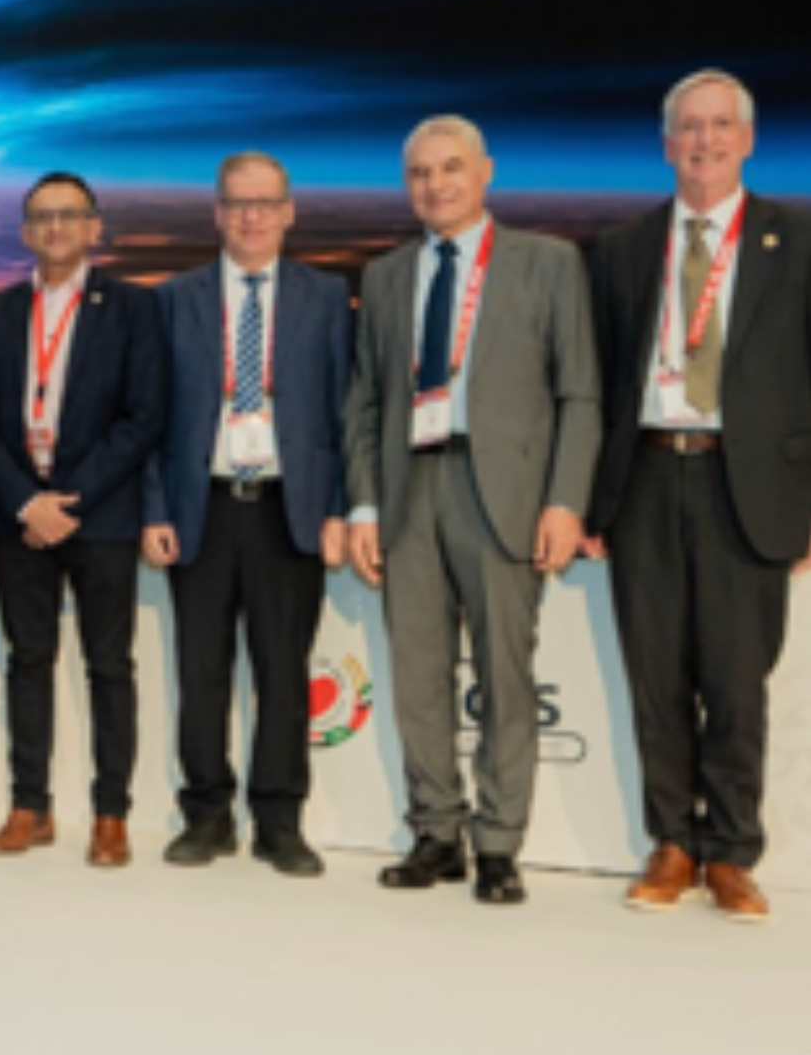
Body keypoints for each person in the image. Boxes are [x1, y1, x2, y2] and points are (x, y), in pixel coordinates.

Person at [343, 115, 599, 905]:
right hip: (407, 491)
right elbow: (364, 402)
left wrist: (563, 500)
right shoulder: (385, 275)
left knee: (503, 675)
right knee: (417, 674)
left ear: (484, 172)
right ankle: (434, 833)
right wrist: (361, 506)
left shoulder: (548, 262)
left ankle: (497, 844)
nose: (435, 184)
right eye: (419, 172)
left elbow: (578, 393)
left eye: (450, 168)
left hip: (506, 497)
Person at [584, 70, 811, 923]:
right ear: (666, 141)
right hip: (642, 476)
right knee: (655, 674)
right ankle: (671, 842)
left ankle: (731, 852)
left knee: (735, 678)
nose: (704, 140)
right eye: (688, 126)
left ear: (747, 139)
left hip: (746, 484)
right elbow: (598, 384)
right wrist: (590, 499)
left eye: (720, 125)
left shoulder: (798, 239)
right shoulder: (622, 249)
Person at [142, 153, 350, 877]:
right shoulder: (174, 298)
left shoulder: (326, 297)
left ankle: (278, 820)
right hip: (201, 508)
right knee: (201, 672)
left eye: (264, 203)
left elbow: (345, 413)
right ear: (216, 213)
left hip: (288, 511)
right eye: (236, 203)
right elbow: (150, 417)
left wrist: (339, 510)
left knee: (283, 673)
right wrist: (154, 508)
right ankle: (205, 814)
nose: (250, 216)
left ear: (289, 210)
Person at [0, 173, 165, 867]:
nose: (54, 227)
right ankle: (28, 806)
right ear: (25, 232)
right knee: (27, 661)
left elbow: (143, 418)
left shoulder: (133, 307)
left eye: (67, 215)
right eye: (41, 217)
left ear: (92, 227)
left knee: (109, 665)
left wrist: (66, 499)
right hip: (21, 517)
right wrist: (24, 500)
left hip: (98, 516)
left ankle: (111, 815)